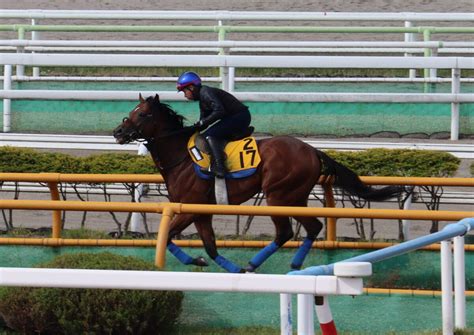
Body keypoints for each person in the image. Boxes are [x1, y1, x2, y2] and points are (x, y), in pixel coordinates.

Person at [177, 71, 252, 178]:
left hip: (240, 117)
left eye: (184, 91)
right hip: (235, 117)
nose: (185, 95)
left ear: (191, 87)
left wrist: (202, 122)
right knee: (204, 135)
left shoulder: (205, 92)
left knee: (210, 135)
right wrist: (191, 129)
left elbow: (219, 110)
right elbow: (203, 122)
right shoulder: (202, 98)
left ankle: (220, 167)